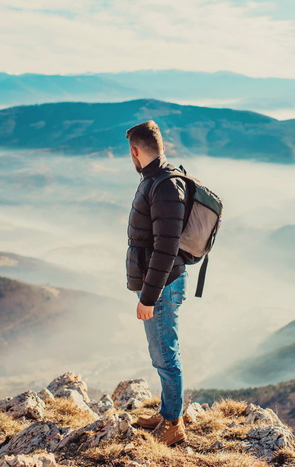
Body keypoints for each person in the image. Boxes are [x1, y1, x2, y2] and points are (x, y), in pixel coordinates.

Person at [125, 120, 188, 446]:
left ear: (136, 151)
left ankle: (174, 424)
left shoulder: (163, 186)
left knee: (165, 355)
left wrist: (148, 298)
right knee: (162, 352)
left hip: (162, 284)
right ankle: (167, 412)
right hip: (158, 281)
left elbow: (166, 248)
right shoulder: (155, 180)